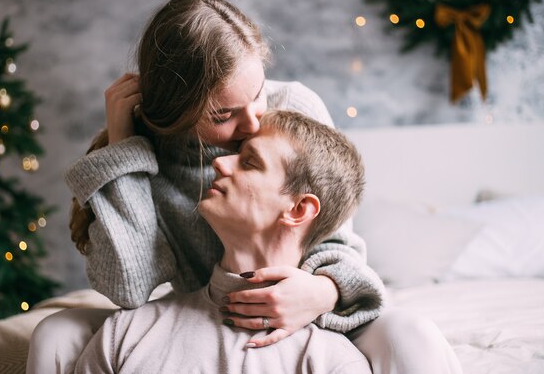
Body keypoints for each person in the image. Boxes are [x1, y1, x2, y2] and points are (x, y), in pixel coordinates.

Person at [27, 0, 462, 374]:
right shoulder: (142, 148)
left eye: (256, 94)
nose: (253, 122)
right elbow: (128, 288)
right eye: (223, 115)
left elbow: (332, 232)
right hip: (202, 303)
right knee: (56, 333)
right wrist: (123, 151)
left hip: (302, 301)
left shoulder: (293, 106)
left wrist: (323, 292)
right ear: (178, 111)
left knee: (409, 335)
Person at [73, 110, 373, 373]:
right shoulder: (125, 335)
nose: (219, 162)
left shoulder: (333, 363)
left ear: (298, 210)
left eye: (250, 162)